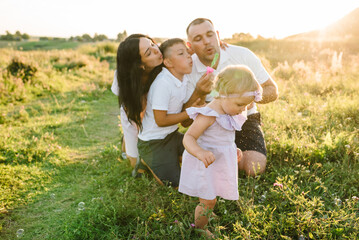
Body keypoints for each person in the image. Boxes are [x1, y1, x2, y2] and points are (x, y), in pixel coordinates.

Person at [185, 18, 279, 176]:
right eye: (198, 39)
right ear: (190, 46)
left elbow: (272, 90)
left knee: (253, 168)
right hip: (210, 125)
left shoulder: (241, 55)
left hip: (244, 119)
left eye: (210, 35)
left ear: (218, 35)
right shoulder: (188, 66)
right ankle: (223, 158)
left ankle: (225, 159)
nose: (207, 42)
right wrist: (198, 93)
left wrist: (248, 100)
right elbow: (185, 120)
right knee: (195, 158)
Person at [179, 65, 263, 237]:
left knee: (212, 193)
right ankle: (199, 227)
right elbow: (188, 138)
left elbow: (224, 139)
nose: (242, 110)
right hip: (205, 162)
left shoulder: (228, 112)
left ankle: (207, 211)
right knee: (208, 199)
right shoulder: (209, 114)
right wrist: (200, 152)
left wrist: (234, 150)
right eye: (240, 104)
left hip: (217, 160)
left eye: (246, 106)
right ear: (223, 94)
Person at [112, 34, 212, 171]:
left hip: (159, 116)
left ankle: (161, 157)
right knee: (135, 163)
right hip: (135, 112)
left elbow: (177, 51)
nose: (156, 51)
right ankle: (127, 143)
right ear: (140, 64)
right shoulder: (123, 79)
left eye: (153, 44)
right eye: (149, 53)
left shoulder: (162, 61)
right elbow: (137, 111)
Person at [137, 38, 196, 187]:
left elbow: (201, 56)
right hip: (153, 142)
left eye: (188, 52)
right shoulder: (163, 83)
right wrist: (190, 112)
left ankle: (171, 156)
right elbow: (161, 121)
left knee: (200, 159)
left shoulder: (184, 76)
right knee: (177, 185)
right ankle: (145, 159)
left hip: (172, 135)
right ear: (168, 62)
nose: (188, 56)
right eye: (181, 53)